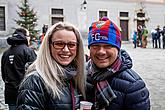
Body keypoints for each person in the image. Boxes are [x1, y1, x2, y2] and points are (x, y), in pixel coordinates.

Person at [16, 22, 86, 110]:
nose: (66, 50)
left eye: (71, 45)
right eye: (59, 44)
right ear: (49, 46)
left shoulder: (75, 76)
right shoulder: (34, 81)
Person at [86, 17, 150, 110]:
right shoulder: (81, 74)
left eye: (108, 46)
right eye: (95, 46)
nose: (101, 52)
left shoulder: (134, 86)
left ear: (118, 49)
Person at [1, 28, 37, 110]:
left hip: (10, 92)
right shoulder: (28, 51)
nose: (29, 38)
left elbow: (3, 75)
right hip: (26, 93)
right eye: (28, 35)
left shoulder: (6, 53)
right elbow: (36, 73)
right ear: (24, 37)